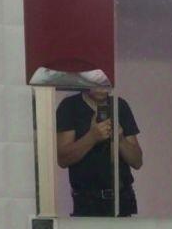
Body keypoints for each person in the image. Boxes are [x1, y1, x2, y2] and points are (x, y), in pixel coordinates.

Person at [56, 87, 143, 217]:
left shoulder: (119, 105)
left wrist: (120, 139)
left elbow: (137, 161)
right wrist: (92, 137)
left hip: (122, 199)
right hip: (87, 201)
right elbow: (63, 160)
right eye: (97, 81)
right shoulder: (70, 106)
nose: (102, 87)